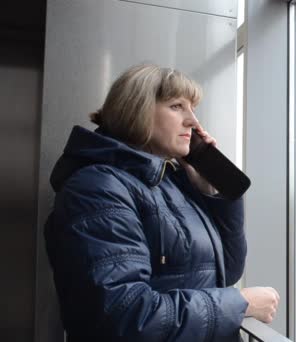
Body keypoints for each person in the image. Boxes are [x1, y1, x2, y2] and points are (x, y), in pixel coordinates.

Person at [44, 64, 279, 341]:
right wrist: (241, 304)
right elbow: (126, 316)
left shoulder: (170, 182)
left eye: (193, 108)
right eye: (177, 106)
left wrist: (209, 193)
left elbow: (225, 271)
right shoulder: (97, 189)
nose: (193, 120)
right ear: (136, 109)